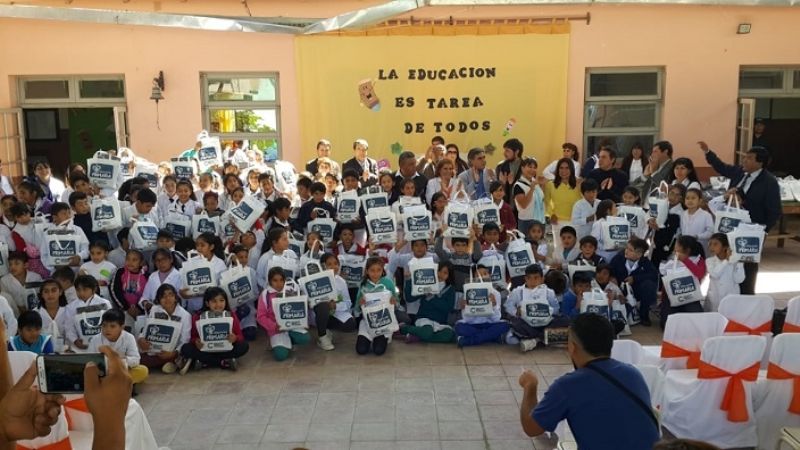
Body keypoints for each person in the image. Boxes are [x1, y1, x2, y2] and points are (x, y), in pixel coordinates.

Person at [518, 313, 659, 450]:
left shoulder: (567, 387)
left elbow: (532, 428)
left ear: (572, 347)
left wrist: (530, 387)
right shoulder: (633, 373)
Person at [701, 142, 781, 295]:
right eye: (744, 157)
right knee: (728, 260)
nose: (744, 161)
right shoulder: (740, 172)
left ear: (760, 162)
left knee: (747, 266)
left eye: (749, 158)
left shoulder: (769, 182)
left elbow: (774, 210)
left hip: (752, 230)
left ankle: (746, 296)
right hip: (730, 226)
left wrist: (763, 231)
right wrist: (708, 153)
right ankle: (726, 295)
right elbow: (722, 167)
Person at [179, 287, 249, 372]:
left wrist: (235, 338)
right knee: (186, 349)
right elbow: (192, 337)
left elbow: (240, 336)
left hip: (225, 349)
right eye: (214, 301)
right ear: (207, 303)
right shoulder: (197, 316)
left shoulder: (231, 315)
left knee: (244, 346)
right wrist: (196, 341)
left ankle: (206, 362)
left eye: (221, 300)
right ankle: (223, 361)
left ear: (226, 301)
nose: (218, 304)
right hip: (206, 349)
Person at [137, 283, 191, 374]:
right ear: (159, 299)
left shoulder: (185, 315)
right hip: (154, 349)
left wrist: (173, 353)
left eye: (170, 295)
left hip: (172, 351)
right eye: (163, 296)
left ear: (175, 297)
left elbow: (185, 340)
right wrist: (141, 339)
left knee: (185, 350)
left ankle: (174, 361)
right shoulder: (154, 310)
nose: (167, 299)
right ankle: (170, 363)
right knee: (136, 358)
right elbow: (146, 330)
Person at [88, 309, 148, 388]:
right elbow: (89, 360)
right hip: (102, 372)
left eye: (112, 326)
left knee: (142, 370)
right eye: (104, 325)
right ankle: (115, 385)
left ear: (122, 327)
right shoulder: (95, 339)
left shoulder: (129, 337)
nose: (107, 329)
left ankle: (109, 385)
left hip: (122, 370)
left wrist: (119, 361)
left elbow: (136, 359)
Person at [608, 237, 658, 327]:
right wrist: (612, 277)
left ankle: (644, 315)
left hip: (635, 291)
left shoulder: (645, 263)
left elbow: (653, 275)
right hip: (619, 289)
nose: (626, 251)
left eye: (630, 250)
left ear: (639, 254)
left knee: (649, 285)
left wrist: (635, 278)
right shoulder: (619, 258)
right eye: (626, 248)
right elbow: (609, 269)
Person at [705, 233, 745, 312]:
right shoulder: (709, 261)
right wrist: (726, 260)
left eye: (715, 244)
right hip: (715, 297)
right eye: (710, 244)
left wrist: (740, 263)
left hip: (731, 297)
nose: (711, 247)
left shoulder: (735, 262)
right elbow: (715, 274)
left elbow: (739, 279)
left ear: (725, 247)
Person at [513, 157, 546, 236]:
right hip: (527, 222)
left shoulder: (535, 182)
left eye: (534, 167)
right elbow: (523, 205)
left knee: (538, 246)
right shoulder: (518, 185)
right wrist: (531, 189)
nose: (532, 170)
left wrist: (542, 185)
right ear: (522, 168)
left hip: (540, 220)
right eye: (530, 167)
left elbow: (541, 199)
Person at [545, 157, 582, 225]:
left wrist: (579, 186)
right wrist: (551, 214)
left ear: (571, 169)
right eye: (561, 168)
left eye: (567, 168)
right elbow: (546, 202)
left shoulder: (579, 184)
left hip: (577, 222)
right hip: (558, 222)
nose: (564, 170)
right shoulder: (550, 184)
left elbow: (585, 201)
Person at [496, 138, 524, 204]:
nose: (504, 153)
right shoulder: (500, 167)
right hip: (506, 205)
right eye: (504, 150)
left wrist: (513, 183)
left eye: (507, 151)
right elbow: (497, 190)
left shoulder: (526, 167)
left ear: (517, 151)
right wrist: (502, 183)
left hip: (522, 206)